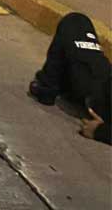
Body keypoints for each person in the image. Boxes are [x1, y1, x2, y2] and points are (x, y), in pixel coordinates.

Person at [28, 12, 111, 145]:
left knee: (75, 22)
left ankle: (47, 88)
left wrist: (100, 132)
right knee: (79, 25)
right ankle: (57, 83)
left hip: (98, 92)